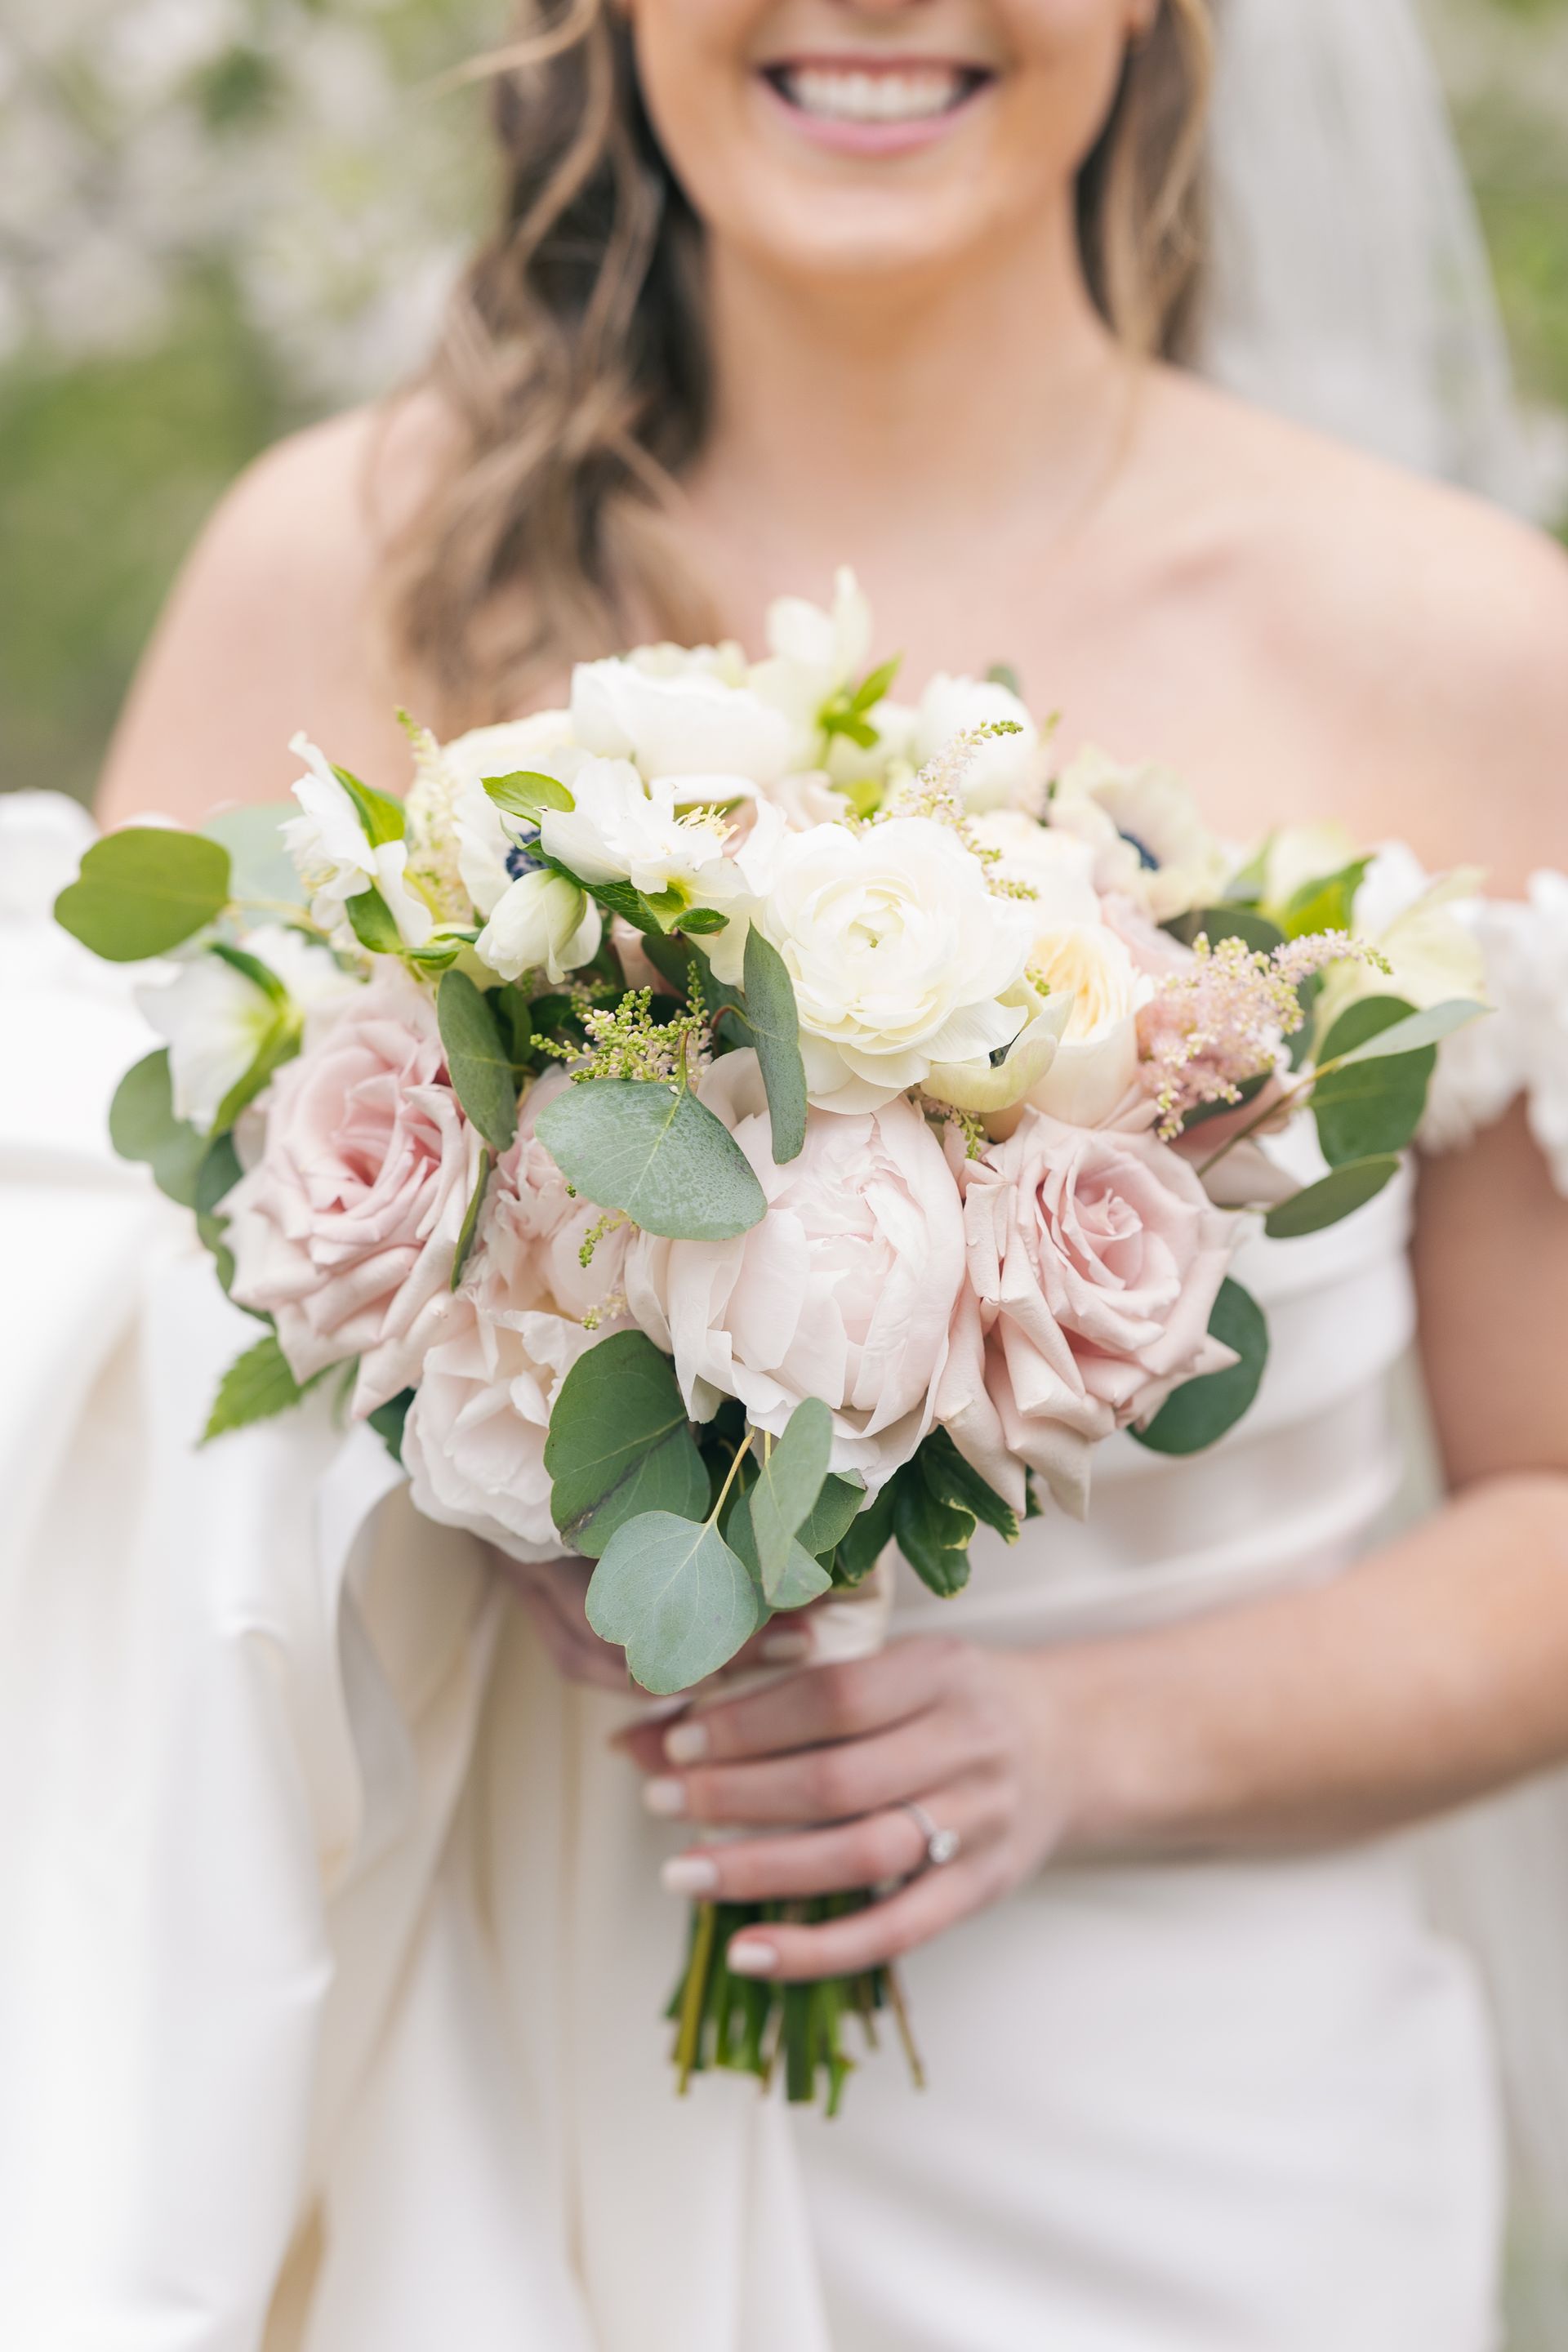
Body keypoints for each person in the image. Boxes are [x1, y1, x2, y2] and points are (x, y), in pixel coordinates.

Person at [11, 2, 1568, 2347]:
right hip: (479, 2115)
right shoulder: (331, 573)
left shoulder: (1456, 646)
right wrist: (466, 1457)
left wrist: (1068, 1745)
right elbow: (91, 1366)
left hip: (1203, 2161)